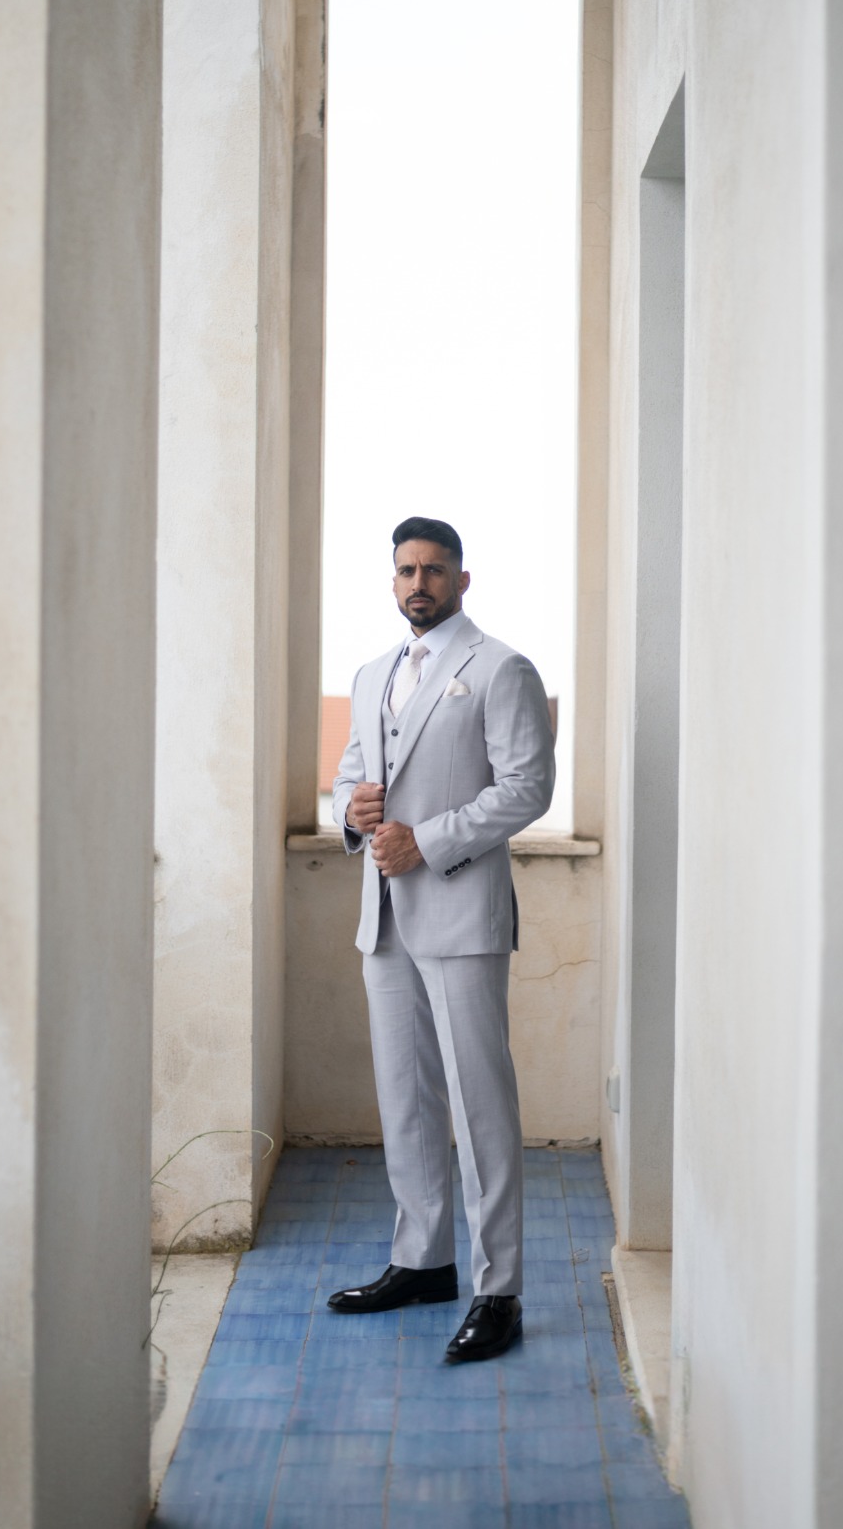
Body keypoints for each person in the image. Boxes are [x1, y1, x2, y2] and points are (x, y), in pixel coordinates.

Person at [327, 515, 556, 1361]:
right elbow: (355, 771)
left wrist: (430, 838)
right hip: (383, 918)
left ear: (462, 579)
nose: (417, 582)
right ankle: (422, 1260)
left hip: (460, 913)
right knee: (408, 1096)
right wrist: (352, 813)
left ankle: (500, 1289)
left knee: (478, 1103)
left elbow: (528, 787)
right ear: (392, 582)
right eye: (405, 570)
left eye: (433, 569)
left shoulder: (499, 668)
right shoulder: (369, 672)